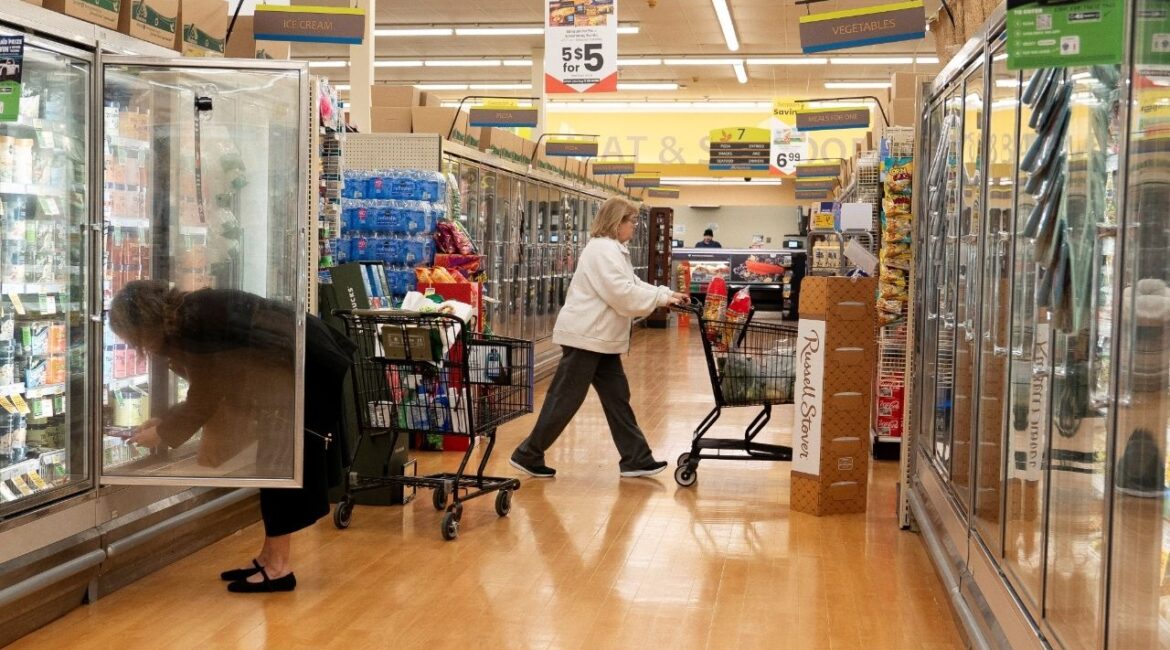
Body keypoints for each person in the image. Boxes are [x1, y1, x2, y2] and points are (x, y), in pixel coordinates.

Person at [110, 280, 355, 593]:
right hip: (297, 364)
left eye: (132, 338)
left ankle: (279, 568)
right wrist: (165, 422)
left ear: (142, 326)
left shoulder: (194, 325)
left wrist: (163, 433)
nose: (135, 346)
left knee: (281, 465)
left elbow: (206, 395)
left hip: (305, 369)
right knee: (276, 468)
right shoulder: (190, 314)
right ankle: (269, 558)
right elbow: (211, 385)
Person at [510, 197, 688, 478]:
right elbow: (622, 293)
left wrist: (666, 294)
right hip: (586, 336)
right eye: (631, 221)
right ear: (617, 223)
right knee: (565, 398)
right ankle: (528, 453)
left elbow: (632, 283)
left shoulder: (615, 250)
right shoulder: (602, 251)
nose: (634, 226)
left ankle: (636, 457)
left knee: (618, 397)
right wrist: (661, 298)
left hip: (600, 338)